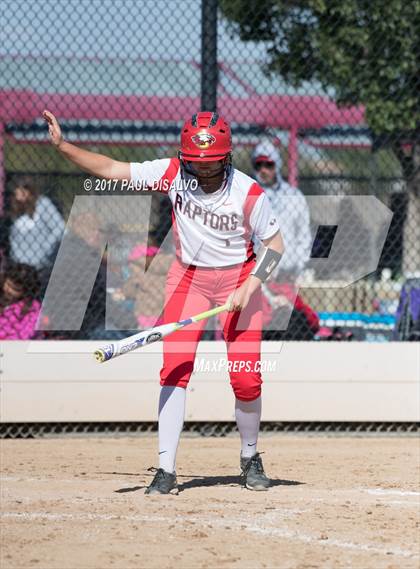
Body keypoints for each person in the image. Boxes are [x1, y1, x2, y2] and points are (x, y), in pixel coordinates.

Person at [43, 109, 285, 495]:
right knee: (174, 368)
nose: (202, 173)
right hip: (188, 279)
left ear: (227, 157)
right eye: (195, 164)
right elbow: (110, 169)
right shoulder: (172, 173)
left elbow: (275, 246)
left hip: (241, 280)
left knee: (245, 378)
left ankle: (249, 456)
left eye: (211, 165)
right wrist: (62, 146)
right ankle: (166, 468)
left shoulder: (249, 193)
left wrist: (252, 285)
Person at [251, 140, 317, 339]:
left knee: (290, 319)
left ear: (277, 165)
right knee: (259, 324)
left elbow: (303, 239)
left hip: (286, 275)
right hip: (256, 275)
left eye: (269, 164)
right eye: (258, 165)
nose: (263, 170)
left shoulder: (293, 196)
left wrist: (295, 268)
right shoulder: (247, 194)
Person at [9, 176, 65, 270]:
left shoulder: (42, 204)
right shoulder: (16, 209)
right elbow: (14, 239)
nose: (17, 194)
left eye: (20, 189)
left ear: (28, 191)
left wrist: (44, 250)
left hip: (40, 267)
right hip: (20, 267)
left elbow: (60, 228)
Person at [0, 262, 42, 340]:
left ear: (26, 291)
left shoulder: (32, 308)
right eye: (8, 284)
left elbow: (25, 334)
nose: (9, 290)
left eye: (15, 289)